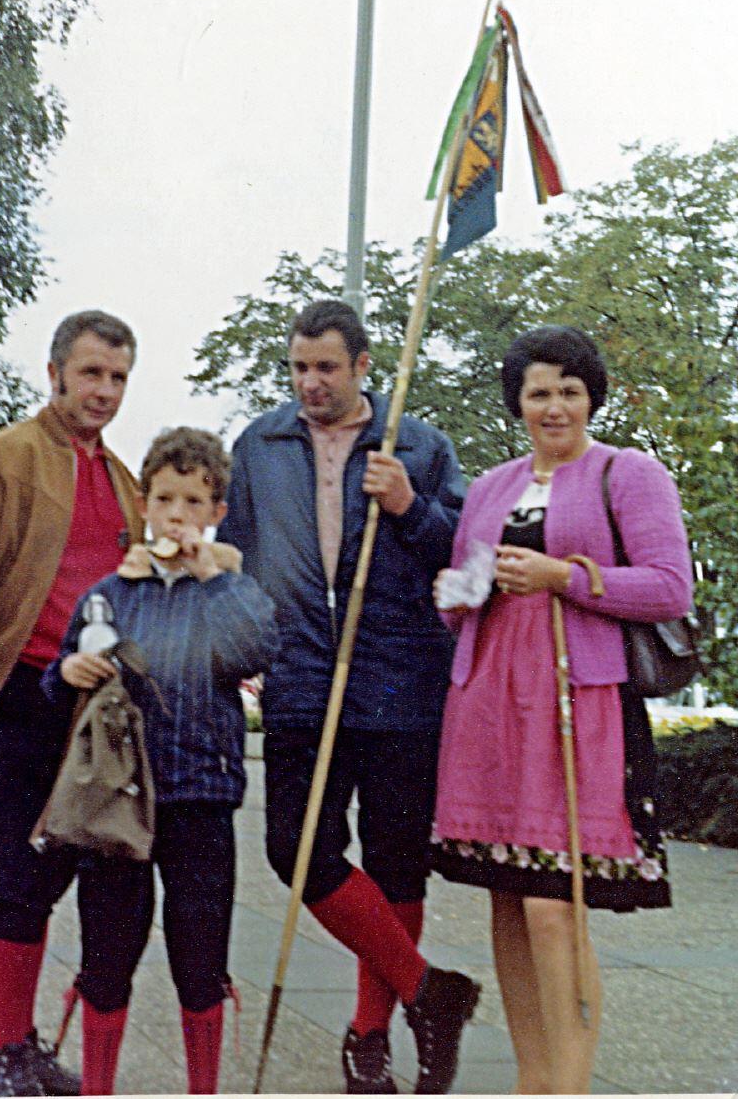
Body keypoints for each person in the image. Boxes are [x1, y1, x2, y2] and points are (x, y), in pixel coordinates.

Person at [217, 299, 479, 1095]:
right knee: (296, 848)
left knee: (396, 864)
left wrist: (409, 506)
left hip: (400, 676)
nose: (309, 382)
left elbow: (462, 554)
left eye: (325, 367)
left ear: (363, 366)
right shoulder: (259, 445)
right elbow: (239, 548)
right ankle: (428, 991)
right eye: (298, 366)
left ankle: (370, 1039)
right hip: (299, 675)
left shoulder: (418, 445)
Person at [430, 326, 693, 1094]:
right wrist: (455, 594)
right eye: (539, 392)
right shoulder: (490, 487)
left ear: (590, 398)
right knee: (508, 897)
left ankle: (569, 1088)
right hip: (489, 706)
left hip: (579, 704)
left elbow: (669, 586)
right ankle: (531, 1079)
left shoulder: (627, 474)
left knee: (555, 903)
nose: (554, 407)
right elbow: (461, 591)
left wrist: (562, 575)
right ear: (516, 401)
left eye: (568, 391)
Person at [0, 310, 142, 1097]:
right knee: (22, 870)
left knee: (81, 870)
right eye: (91, 373)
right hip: (23, 687)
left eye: (117, 378)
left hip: (101, 705)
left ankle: (30, 1049)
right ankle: (4, 1053)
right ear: (54, 372)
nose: (104, 391)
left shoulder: (127, 482)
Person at [42, 428, 278, 1095]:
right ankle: (98, 1085)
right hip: (119, 799)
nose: (177, 515)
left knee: (200, 959)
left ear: (215, 513)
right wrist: (70, 671)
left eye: (193, 502)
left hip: (200, 796)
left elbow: (257, 649)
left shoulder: (229, 586)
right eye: (165, 499)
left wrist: (213, 578)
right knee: (107, 954)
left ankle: (202, 1085)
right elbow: (54, 684)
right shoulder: (110, 593)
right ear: (142, 504)